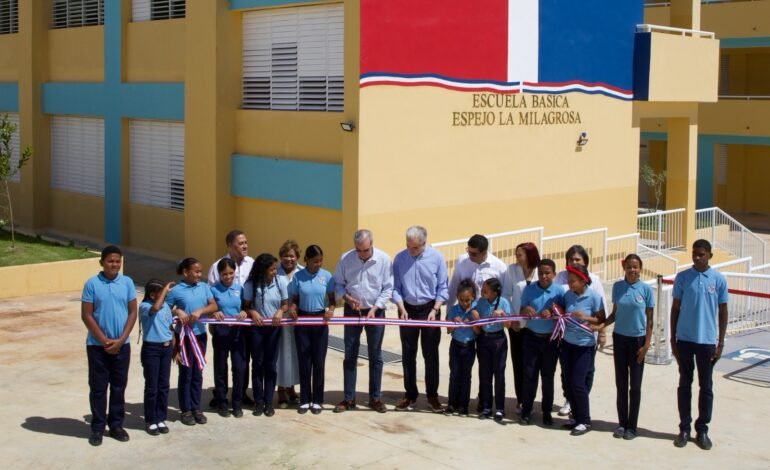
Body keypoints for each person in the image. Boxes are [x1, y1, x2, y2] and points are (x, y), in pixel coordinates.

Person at [671, 239, 728, 450]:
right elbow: (675, 308)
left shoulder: (719, 280)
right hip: (685, 340)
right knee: (685, 384)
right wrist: (673, 339)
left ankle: (702, 429)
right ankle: (684, 428)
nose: (697, 257)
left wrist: (720, 343)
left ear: (710, 255)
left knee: (706, 387)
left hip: (707, 342)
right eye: (694, 253)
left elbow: (723, 311)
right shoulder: (683, 277)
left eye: (701, 254)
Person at [81, 245, 137, 446]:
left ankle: (116, 425)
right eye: (110, 261)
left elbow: (132, 312)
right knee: (98, 388)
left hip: (123, 345)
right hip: (97, 347)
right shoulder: (92, 284)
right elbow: (86, 314)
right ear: (102, 262)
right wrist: (104, 340)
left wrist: (121, 339)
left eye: (117, 261)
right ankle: (97, 428)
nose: (114, 264)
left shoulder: (128, 282)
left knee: (118, 387)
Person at [332, 229, 393, 413]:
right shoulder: (346, 259)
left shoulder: (383, 259)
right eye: (358, 250)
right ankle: (348, 398)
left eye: (365, 250)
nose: (362, 254)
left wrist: (375, 307)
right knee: (350, 353)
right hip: (352, 311)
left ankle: (375, 398)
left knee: (376, 355)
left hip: (376, 311)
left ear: (371, 244)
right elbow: (338, 284)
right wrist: (348, 299)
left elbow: (388, 287)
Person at [446, 234, 506, 412]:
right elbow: (454, 286)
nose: (469, 255)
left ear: (484, 252)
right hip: (466, 322)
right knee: (465, 369)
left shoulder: (499, 267)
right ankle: (459, 401)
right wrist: (450, 314)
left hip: (487, 325)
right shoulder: (462, 262)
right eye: (468, 251)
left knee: (485, 366)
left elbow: (502, 296)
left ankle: (483, 401)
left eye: (474, 253)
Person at [392, 226, 448, 412]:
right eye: (408, 246)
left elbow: (443, 287)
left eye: (415, 247)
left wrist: (435, 309)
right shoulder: (400, 258)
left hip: (430, 310)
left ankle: (432, 396)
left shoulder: (437, 258)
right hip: (406, 309)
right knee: (408, 354)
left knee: (430, 354)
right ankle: (410, 395)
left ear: (424, 243)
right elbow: (396, 287)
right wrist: (401, 307)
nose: (411, 250)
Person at [599, 254, 654, 441]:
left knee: (635, 387)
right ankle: (622, 424)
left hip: (637, 342)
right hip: (620, 340)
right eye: (629, 267)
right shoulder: (618, 287)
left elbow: (650, 320)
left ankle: (633, 426)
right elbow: (615, 313)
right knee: (621, 385)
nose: (632, 270)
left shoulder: (646, 290)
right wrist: (601, 326)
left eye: (636, 267)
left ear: (640, 268)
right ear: (625, 268)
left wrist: (646, 345)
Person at [555, 244, 607, 417]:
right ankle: (571, 403)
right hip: (567, 339)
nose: (574, 262)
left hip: (585, 341)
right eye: (571, 259)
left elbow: (601, 313)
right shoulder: (563, 284)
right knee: (568, 376)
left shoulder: (594, 285)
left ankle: (582, 412)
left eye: (577, 259)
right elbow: (560, 307)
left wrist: (601, 331)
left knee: (584, 376)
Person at [167, 257, 219, 426]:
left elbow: (214, 306)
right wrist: (177, 311)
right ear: (185, 272)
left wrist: (201, 310)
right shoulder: (176, 290)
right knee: (186, 373)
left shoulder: (204, 287)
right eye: (196, 271)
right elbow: (165, 309)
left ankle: (196, 407)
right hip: (183, 337)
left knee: (197, 372)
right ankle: (186, 409)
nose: (199, 274)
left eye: (200, 271)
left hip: (199, 336)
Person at [207, 229, 255, 408]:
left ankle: (240, 394)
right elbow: (210, 295)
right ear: (230, 245)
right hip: (222, 324)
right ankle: (220, 396)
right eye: (240, 243)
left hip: (243, 322)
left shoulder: (252, 263)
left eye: (246, 242)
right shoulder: (217, 265)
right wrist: (213, 315)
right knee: (221, 362)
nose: (245, 246)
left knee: (242, 361)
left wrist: (246, 311)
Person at [288, 245, 336, 415]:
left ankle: (317, 400)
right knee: (304, 361)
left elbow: (332, 300)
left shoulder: (326, 276)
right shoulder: (298, 277)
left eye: (321, 260)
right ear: (306, 260)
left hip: (320, 322)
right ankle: (304, 399)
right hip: (302, 322)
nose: (319, 264)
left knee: (318, 362)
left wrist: (330, 310)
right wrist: (292, 309)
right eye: (315, 261)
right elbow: (294, 299)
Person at [560, 264, 606, 436]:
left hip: (584, 345)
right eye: (568, 281)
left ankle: (585, 420)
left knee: (578, 383)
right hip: (567, 343)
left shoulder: (594, 296)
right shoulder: (567, 296)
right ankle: (575, 417)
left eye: (573, 281)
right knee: (568, 382)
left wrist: (585, 318)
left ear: (583, 280)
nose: (570, 284)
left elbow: (601, 319)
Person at [243, 253, 290, 417]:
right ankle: (258, 401)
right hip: (257, 329)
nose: (274, 272)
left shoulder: (280, 282)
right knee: (258, 364)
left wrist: (280, 311)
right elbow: (246, 306)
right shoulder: (251, 284)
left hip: (274, 329)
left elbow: (285, 304)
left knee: (271, 364)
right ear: (262, 270)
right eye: (271, 270)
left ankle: (269, 402)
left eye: (275, 269)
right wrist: (253, 313)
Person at [518, 258, 562, 426]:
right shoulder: (529, 290)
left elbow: (563, 313)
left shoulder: (559, 292)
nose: (544, 276)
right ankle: (527, 410)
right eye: (541, 273)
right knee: (529, 376)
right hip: (531, 338)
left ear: (554, 274)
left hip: (550, 340)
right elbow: (521, 310)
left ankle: (547, 411)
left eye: (547, 273)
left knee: (548, 377)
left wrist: (552, 311)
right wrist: (526, 309)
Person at [501, 242, 540, 414]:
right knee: (518, 362)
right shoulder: (511, 270)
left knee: (533, 364)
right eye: (516, 254)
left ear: (530, 255)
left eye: (520, 254)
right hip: (517, 324)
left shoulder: (540, 270)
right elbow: (505, 295)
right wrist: (511, 317)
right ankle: (521, 400)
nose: (517, 257)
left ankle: (530, 399)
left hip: (537, 325)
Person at [210, 258, 249, 418]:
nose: (228, 277)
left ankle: (237, 403)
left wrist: (244, 312)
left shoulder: (239, 289)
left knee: (239, 368)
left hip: (238, 333)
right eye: (224, 274)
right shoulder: (213, 290)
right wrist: (213, 313)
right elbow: (209, 308)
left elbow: (245, 307)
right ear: (219, 274)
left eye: (231, 273)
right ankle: (222, 402)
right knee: (220, 368)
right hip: (220, 332)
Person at [472, 277, 511, 422]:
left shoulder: (504, 302)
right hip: (484, 339)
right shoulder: (481, 302)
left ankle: (500, 408)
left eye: (485, 290)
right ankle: (487, 407)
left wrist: (503, 315)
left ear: (494, 292)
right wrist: (474, 314)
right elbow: (474, 313)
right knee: (485, 374)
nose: (482, 292)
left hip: (498, 340)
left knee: (499, 375)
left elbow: (509, 325)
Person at [139, 279, 175, 436]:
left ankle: (161, 417)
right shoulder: (145, 306)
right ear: (153, 295)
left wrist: (174, 346)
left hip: (166, 348)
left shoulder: (166, 305)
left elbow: (169, 325)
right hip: (152, 349)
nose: (165, 296)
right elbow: (155, 308)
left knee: (163, 385)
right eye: (162, 294)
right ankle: (151, 419)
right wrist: (165, 289)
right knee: (152, 386)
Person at [445, 279, 478, 416]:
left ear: (473, 298)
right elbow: (448, 330)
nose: (465, 303)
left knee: (466, 376)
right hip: (456, 346)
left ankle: (464, 405)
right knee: (454, 375)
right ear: (457, 297)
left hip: (469, 346)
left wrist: (473, 321)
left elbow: (478, 332)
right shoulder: (453, 309)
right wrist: (454, 322)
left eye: (467, 300)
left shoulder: (475, 310)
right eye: (462, 300)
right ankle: (452, 403)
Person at [276, 240, 302, 408]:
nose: (289, 259)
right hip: (279, 319)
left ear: (297, 257)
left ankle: (292, 388)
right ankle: (281, 391)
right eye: (285, 255)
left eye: (292, 256)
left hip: (297, 320)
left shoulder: (301, 272)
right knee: (281, 355)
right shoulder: (274, 272)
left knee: (294, 354)